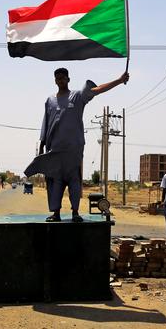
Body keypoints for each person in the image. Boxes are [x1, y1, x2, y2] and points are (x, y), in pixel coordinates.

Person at [25, 68, 129, 222]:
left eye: (63, 78)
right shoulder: (50, 100)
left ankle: (75, 212)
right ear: (55, 80)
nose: (60, 80)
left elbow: (98, 89)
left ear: (68, 79)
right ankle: (56, 213)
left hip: (73, 151)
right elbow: (45, 125)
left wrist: (119, 80)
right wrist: (41, 148)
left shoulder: (77, 96)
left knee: (74, 180)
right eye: (57, 78)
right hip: (55, 151)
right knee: (55, 182)